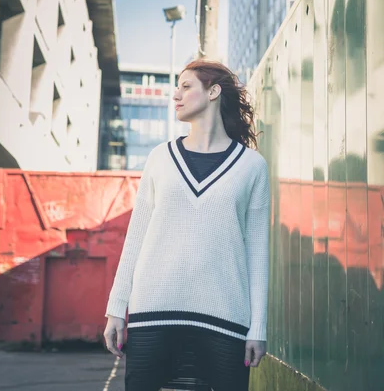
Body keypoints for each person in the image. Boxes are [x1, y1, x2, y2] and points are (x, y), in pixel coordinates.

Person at [104, 59, 270, 391]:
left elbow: (258, 254)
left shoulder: (252, 166)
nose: (175, 95)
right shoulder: (159, 158)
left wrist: (258, 328)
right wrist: (116, 308)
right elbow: (136, 238)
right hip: (153, 311)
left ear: (213, 92)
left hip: (226, 318)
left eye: (185, 86)